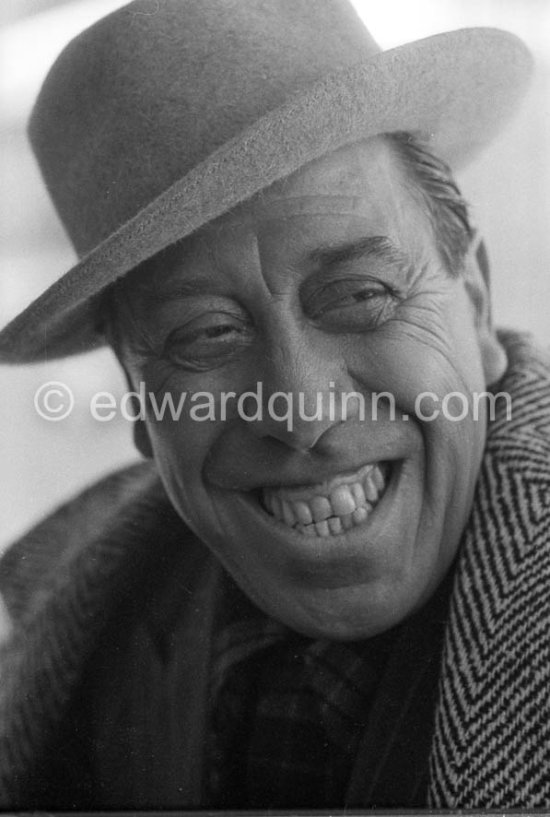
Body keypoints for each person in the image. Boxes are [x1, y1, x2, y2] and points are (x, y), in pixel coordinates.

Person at [0, 0, 549, 809]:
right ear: (140, 404)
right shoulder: (79, 630)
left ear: (472, 302)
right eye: (205, 335)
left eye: (360, 295)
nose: (300, 411)